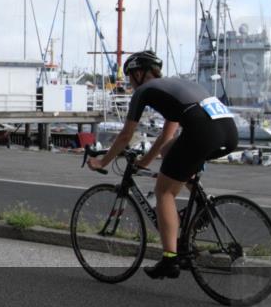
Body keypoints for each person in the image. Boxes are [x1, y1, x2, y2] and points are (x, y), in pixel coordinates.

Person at [87, 50, 238, 279]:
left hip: (203, 132)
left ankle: (170, 259)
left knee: (164, 192)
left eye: (129, 77)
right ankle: (201, 205)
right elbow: (167, 137)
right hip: (228, 131)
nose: (129, 83)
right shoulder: (175, 86)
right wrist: (145, 162)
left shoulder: (145, 92)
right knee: (170, 152)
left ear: (139, 73)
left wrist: (102, 161)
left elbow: (126, 136)